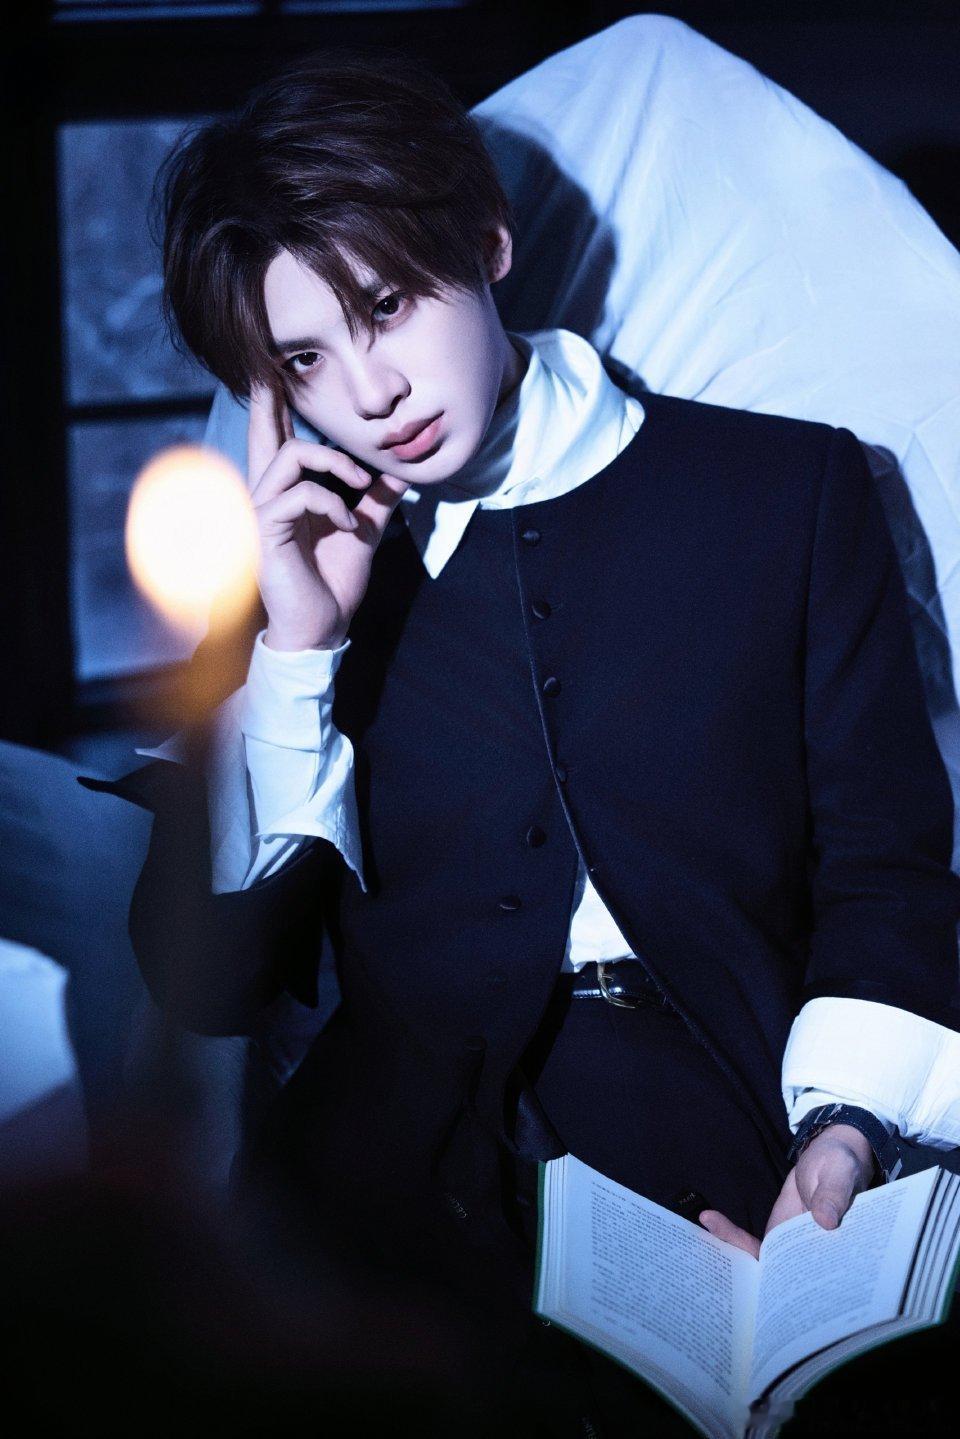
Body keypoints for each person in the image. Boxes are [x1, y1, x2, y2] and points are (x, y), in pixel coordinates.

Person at [89, 47, 960, 1435]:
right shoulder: (285, 574)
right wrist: (298, 650)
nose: (370, 391)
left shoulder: (786, 494)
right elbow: (210, 982)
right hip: (393, 1181)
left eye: (386, 307)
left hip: (734, 1116)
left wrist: (845, 1134)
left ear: (486, 241)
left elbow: (889, 873)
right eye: (305, 359)